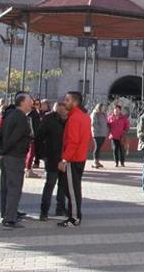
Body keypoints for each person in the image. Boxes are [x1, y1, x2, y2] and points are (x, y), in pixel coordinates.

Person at [0, 92, 33, 229]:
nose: (32, 103)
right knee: (14, 188)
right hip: (14, 157)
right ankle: (9, 219)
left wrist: (0, 151)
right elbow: (14, 138)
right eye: (29, 100)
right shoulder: (21, 117)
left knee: (6, 186)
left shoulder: (8, 115)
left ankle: (7, 214)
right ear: (22, 102)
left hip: (7, 156)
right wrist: (2, 152)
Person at [57, 91, 91, 227]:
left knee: (72, 189)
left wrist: (64, 159)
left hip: (73, 158)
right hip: (79, 157)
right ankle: (74, 215)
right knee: (73, 188)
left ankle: (74, 217)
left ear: (75, 102)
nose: (65, 102)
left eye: (67, 100)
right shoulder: (84, 116)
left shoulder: (75, 118)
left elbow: (73, 141)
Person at [35, 102, 67, 221]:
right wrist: (42, 156)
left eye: (64, 110)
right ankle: (44, 211)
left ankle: (60, 208)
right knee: (50, 184)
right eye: (61, 110)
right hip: (52, 157)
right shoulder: (49, 119)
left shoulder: (68, 120)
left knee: (62, 185)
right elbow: (39, 137)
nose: (63, 112)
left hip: (64, 158)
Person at [25, 98, 42, 178]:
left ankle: (28, 169)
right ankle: (28, 170)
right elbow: (33, 125)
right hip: (32, 136)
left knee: (30, 153)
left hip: (30, 136)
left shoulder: (31, 113)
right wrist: (33, 136)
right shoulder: (33, 113)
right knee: (31, 153)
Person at [90, 103, 109, 169]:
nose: (103, 108)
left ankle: (97, 161)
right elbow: (94, 123)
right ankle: (95, 162)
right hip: (97, 133)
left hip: (103, 133)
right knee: (97, 147)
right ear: (99, 107)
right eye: (102, 107)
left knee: (99, 147)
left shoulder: (103, 114)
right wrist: (100, 129)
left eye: (104, 107)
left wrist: (106, 130)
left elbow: (106, 122)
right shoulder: (95, 113)